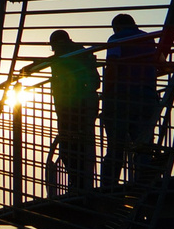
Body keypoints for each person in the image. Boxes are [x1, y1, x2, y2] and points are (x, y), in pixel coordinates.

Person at [100, 13, 162, 186]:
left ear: (117, 26)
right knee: (143, 145)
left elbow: (112, 66)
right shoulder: (149, 39)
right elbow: (159, 63)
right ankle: (145, 183)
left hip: (121, 97)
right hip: (147, 97)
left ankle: (108, 185)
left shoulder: (116, 38)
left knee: (116, 146)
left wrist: (106, 94)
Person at [43, 30, 99, 194]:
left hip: (73, 108)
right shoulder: (81, 52)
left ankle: (79, 185)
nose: (53, 50)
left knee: (71, 148)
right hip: (75, 108)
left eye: (53, 46)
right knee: (78, 147)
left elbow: (93, 81)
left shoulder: (69, 55)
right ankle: (79, 184)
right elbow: (95, 81)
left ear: (59, 43)